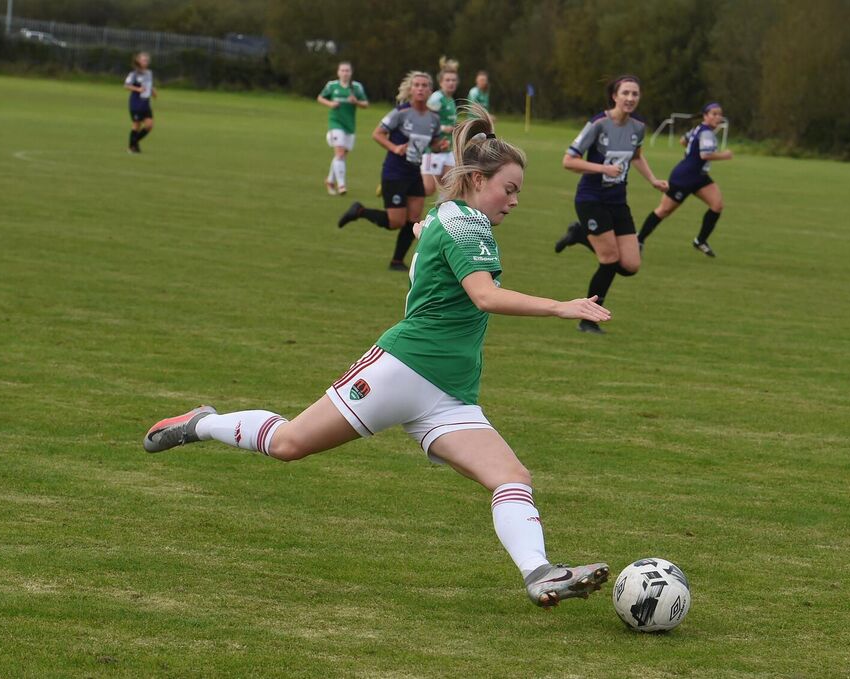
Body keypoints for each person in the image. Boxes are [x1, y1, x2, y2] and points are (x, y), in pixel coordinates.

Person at [143, 105, 613, 608]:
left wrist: (426, 233)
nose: (515, 201)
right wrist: (561, 306)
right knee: (288, 444)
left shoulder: (449, 216)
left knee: (512, 477)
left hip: (449, 395)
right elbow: (485, 296)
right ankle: (201, 422)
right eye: (511, 188)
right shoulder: (469, 227)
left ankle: (539, 573)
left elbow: (428, 234)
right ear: (478, 179)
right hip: (403, 370)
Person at [552, 75, 668, 334]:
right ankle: (587, 319)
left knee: (630, 265)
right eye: (625, 93)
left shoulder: (638, 127)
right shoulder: (598, 124)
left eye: (635, 94)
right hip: (591, 199)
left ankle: (580, 235)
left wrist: (653, 180)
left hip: (618, 201)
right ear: (614, 96)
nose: (630, 98)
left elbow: (636, 156)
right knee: (609, 259)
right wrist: (602, 167)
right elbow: (569, 161)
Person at [337, 71, 446, 271]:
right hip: (394, 172)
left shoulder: (433, 118)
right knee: (395, 222)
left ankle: (397, 261)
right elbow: (377, 133)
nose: (421, 88)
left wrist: (442, 145)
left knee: (413, 219)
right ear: (411, 89)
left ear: (430, 90)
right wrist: (395, 148)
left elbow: (435, 143)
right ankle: (360, 211)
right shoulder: (401, 112)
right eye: (417, 85)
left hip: (415, 172)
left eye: (424, 85)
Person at [637, 102, 733, 257]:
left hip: (699, 176)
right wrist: (725, 155)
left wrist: (691, 154)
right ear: (705, 116)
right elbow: (705, 155)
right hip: (685, 177)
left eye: (719, 114)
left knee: (717, 205)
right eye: (714, 114)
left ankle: (700, 241)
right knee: (664, 210)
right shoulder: (706, 132)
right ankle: (639, 239)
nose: (718, 117)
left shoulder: (700, 129)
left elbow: (683, 140)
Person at [317, 61, 369, 196]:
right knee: (339, 153)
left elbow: (365, 104)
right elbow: (320, 97)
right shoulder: (332, 86)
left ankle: (329, 180)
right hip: (335, 123)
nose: (345, 73)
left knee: (341, 157)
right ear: (338, 72)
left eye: (347, 71)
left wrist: (356, 102)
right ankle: (341, 185)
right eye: (342, 70)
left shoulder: (356, 87)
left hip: (349, 125)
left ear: (351, 73)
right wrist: (330, 103)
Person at [421, 56, 460, 197]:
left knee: (450, 188)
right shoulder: (437, 98)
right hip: (433, 150)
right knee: (428, 189)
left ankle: (442, 217)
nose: (451, 83)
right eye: (448, 80)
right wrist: (443, 128)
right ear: (441, 82)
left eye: (454, 80)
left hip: (448, 149)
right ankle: (399, 188)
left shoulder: (450, 100)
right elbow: (426, 122)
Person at [124, 52, 156, 154]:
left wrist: (153, 91)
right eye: (143, 60)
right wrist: (138, 89)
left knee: (149, 125)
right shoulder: (134, 74)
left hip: (146, 103)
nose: (145, 62)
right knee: (137, 124)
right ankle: (132, 147)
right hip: (136, 103)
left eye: (146, 60)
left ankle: (133, 143)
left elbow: (148, 85)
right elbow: (126, 86)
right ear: (138, 61)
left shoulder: (149, 73)